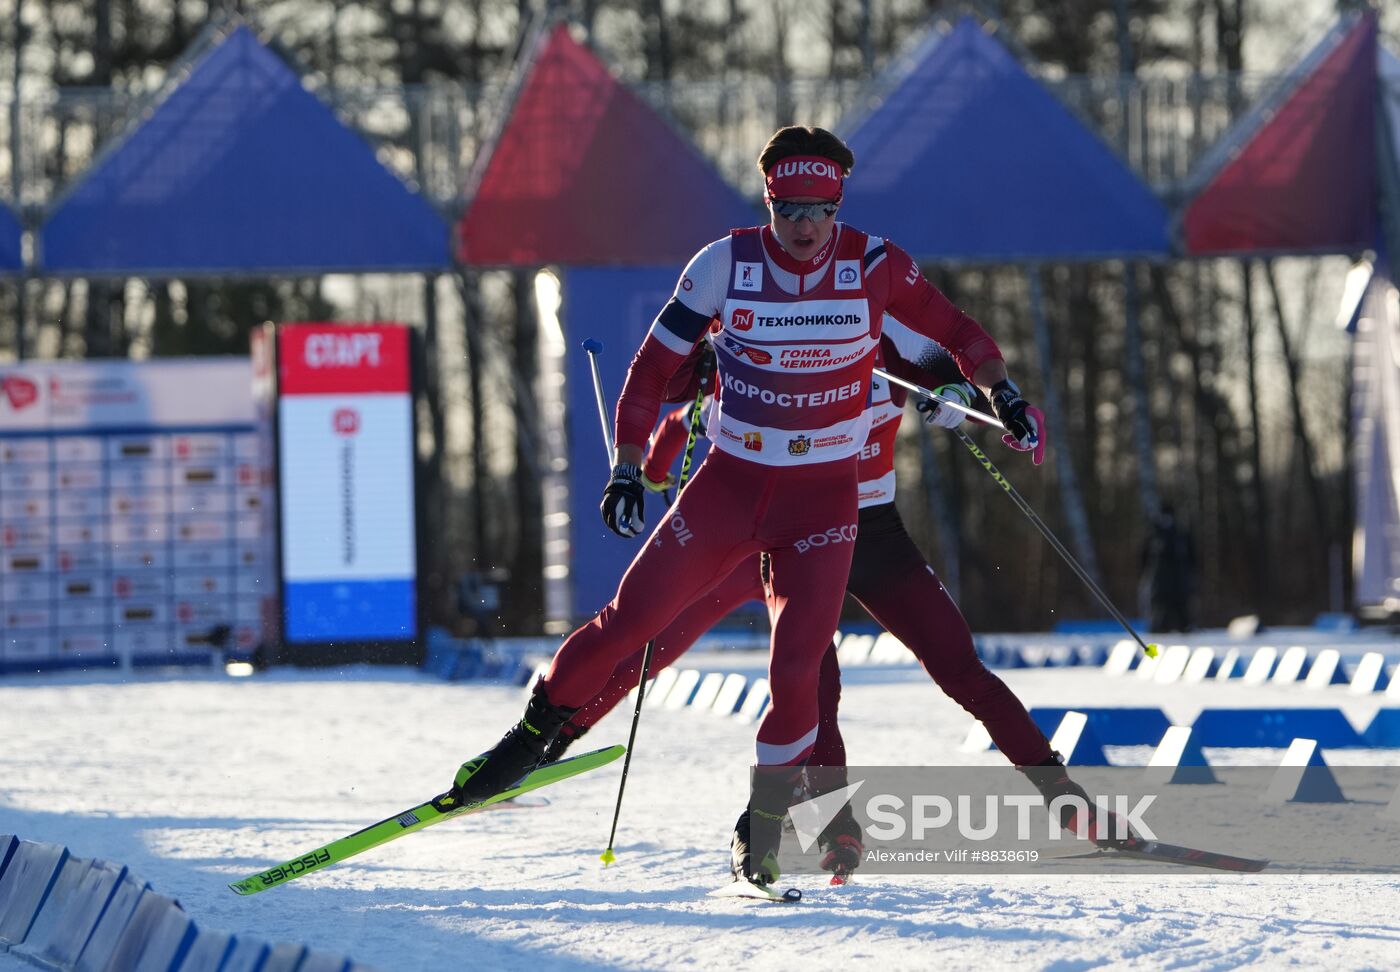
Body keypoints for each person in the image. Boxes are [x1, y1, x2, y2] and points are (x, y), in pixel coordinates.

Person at [441, 126, 1045, 886]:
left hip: (826, 505)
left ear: (838, 204)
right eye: (788, 209)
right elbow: (652, 372)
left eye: (818, 210)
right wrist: (631, 471)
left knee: (798, 672)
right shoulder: (724, 265)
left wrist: (1002, 394)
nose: (804, 227)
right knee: (633, 628)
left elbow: (950, 338)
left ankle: (766, 829)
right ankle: (527, 742)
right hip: (729, 490)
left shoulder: (875, 267)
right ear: (768, 203)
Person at [546, 320, 1126, 884]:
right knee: (669, 646)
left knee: (959, 668)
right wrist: (648, 475)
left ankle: (1065, 801)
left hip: (870, 533)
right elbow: (677, 418)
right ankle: (555, 734)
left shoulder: (882, 333)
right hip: (769, 540)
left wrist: (955, 396)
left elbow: (944, 365)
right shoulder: (766, 348)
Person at [1142, 502, 1195, 633]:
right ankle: (1158, 627)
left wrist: (1191, 573)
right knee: (1159, 606)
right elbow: (1143, 556)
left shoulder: (1181, 534)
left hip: (1178, 579)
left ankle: (1185, 626)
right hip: (1159, 579)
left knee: (1180, 604)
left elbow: (1192, 556)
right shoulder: (1154, 535)